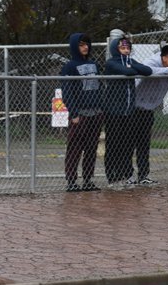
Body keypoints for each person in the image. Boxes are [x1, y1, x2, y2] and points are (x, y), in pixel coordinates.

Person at [127, 44, 168, 185]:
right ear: (164, 58)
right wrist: (167, 70)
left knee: (144, 145)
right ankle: (128, 176)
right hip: (133, 109)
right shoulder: (152, 62)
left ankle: (143, 176)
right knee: (128, 144)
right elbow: (148, 70)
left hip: (147, 111)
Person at [102, 35, 152, 187]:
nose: (126, 50)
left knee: (126, 145)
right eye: (122, 47)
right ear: (115, 49)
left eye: (128, 47)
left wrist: (132, 67)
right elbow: (127, 72)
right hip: (113, 112)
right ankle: (112, 177)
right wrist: (132, 69)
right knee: (113, 145)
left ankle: (125, 175)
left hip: (129, 112)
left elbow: (147, 70)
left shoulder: (131, 61)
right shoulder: (111, 63)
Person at [60, 33, 104, 192]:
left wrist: (102, 108)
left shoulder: (94, 64)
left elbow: (101, 87)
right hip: (80, 114)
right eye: (81, 45)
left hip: (96, 113)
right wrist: (74, 114)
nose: (85, 47)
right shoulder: (69, 67)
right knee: (74, 149)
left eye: (86, 44)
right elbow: (67, 92)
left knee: (91, 149)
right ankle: (71, 181)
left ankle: (88, 180)